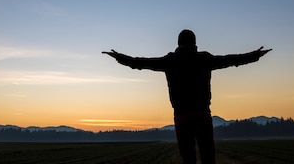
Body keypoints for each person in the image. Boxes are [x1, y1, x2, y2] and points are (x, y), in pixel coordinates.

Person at [103, 29, 271, 164]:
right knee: (208, 158)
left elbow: (140, 63)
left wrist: (119, 57)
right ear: (194, 43)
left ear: (178, 43)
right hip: (202, 115)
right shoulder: (204, 59)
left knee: (188, 159)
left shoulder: (171, 60)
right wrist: (255, 55)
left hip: (182, 117)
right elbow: (231, 60)